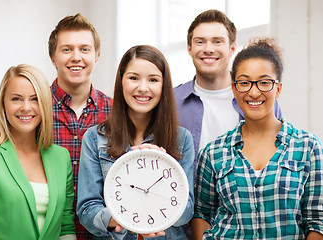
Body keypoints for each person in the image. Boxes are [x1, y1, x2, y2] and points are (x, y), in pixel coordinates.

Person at [193, 38, 323, 239]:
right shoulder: (212, 152)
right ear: (234, 89)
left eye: (264, 82)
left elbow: (318, 220)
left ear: (278, 88)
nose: (254, 92)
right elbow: (202, 213)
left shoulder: (308, 147)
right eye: (244, 83)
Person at [76, 45, 194, 240]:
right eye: (133, 78)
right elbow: (87, 211)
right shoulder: (95, 138)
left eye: (153, 80)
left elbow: (187, 212)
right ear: (121, 81)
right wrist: (128, 218)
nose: (143, 88)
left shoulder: (182, 139)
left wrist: (165, 166)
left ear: (163, 86)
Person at [0, 64, 76, 240]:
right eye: (16, 99)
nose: (26, 107)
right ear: (3, 103)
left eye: (34, 99)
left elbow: (65, 226)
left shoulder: (60, 156)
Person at [174, 9, 282, 177]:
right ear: (189, 48)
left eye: (217, 42)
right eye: (200, 42)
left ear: (232, 48)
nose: (208, 49)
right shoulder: (171, 101)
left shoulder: (259, 99)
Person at [48, 13, 113, 239]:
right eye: (67, 49)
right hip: (49, 231)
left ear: (96, 56)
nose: (76, 57)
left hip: (103, 234)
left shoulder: (117, 114)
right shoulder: (35, 111)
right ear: (53, 57)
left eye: (85, 49)